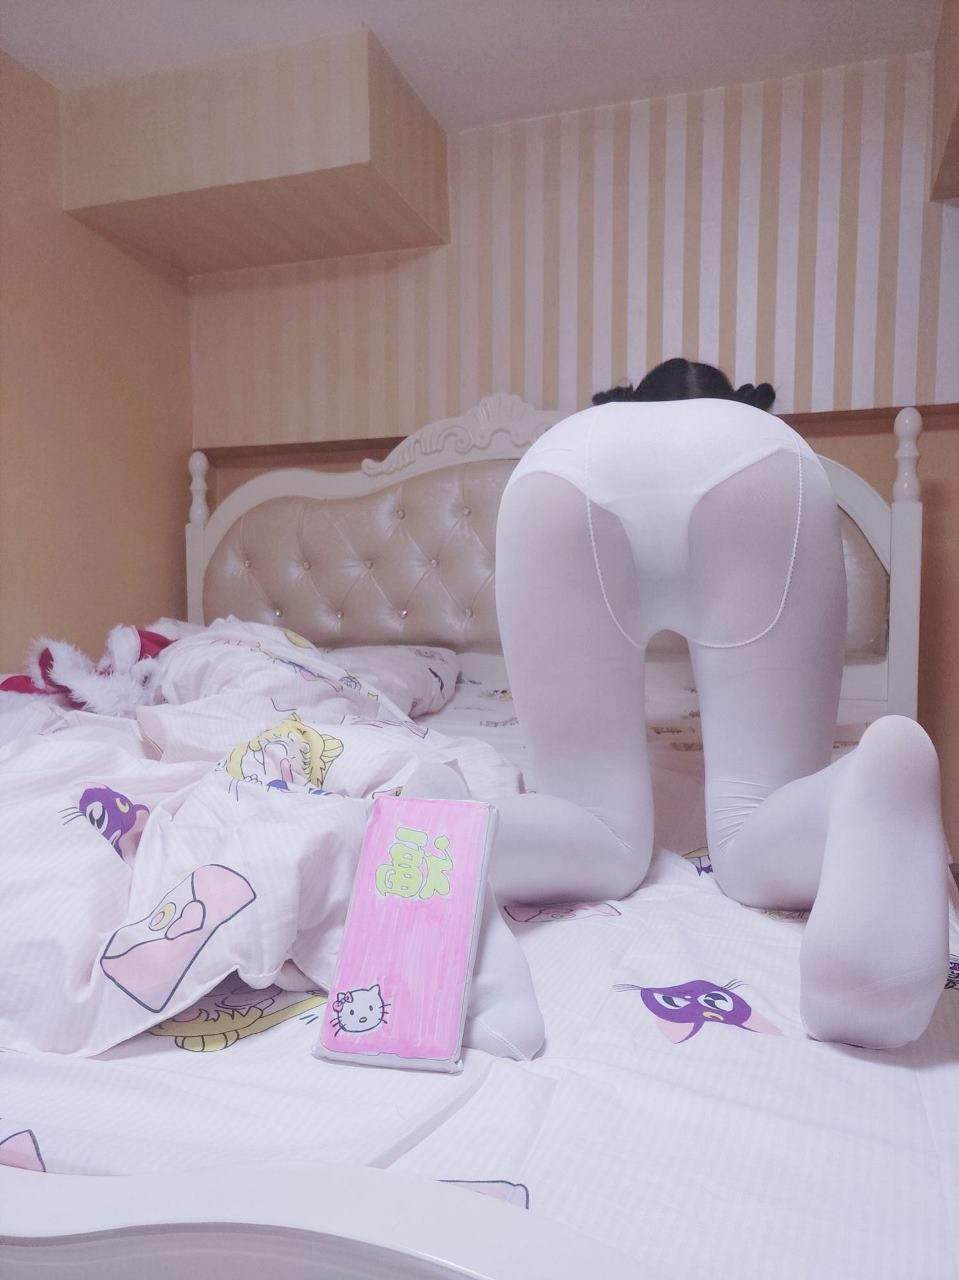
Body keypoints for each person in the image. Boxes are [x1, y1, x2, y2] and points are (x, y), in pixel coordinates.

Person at [488, 358, 949, 1050]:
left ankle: (443, 828)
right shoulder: (750, 428)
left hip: (561, 472)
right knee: (752, 827)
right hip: (758, 468)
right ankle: (865, 778)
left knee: (597, 831)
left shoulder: (592, 431)